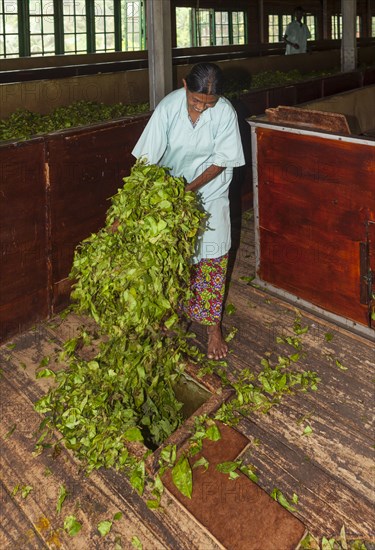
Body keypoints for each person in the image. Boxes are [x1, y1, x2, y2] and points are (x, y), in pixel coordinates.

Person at [132, 62, 245, 360]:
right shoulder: (168, 108)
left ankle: (212, 328)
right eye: (196, 101)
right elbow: (145, 159)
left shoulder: (224, 112)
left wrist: (189, 191)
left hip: (209, 190)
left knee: (212, 256)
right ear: (185, 86)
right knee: (174, 255)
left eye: (208, 103)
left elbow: (222, 160)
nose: (202, 108)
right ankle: (173, 314)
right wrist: (141, 200)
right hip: (171, 191)